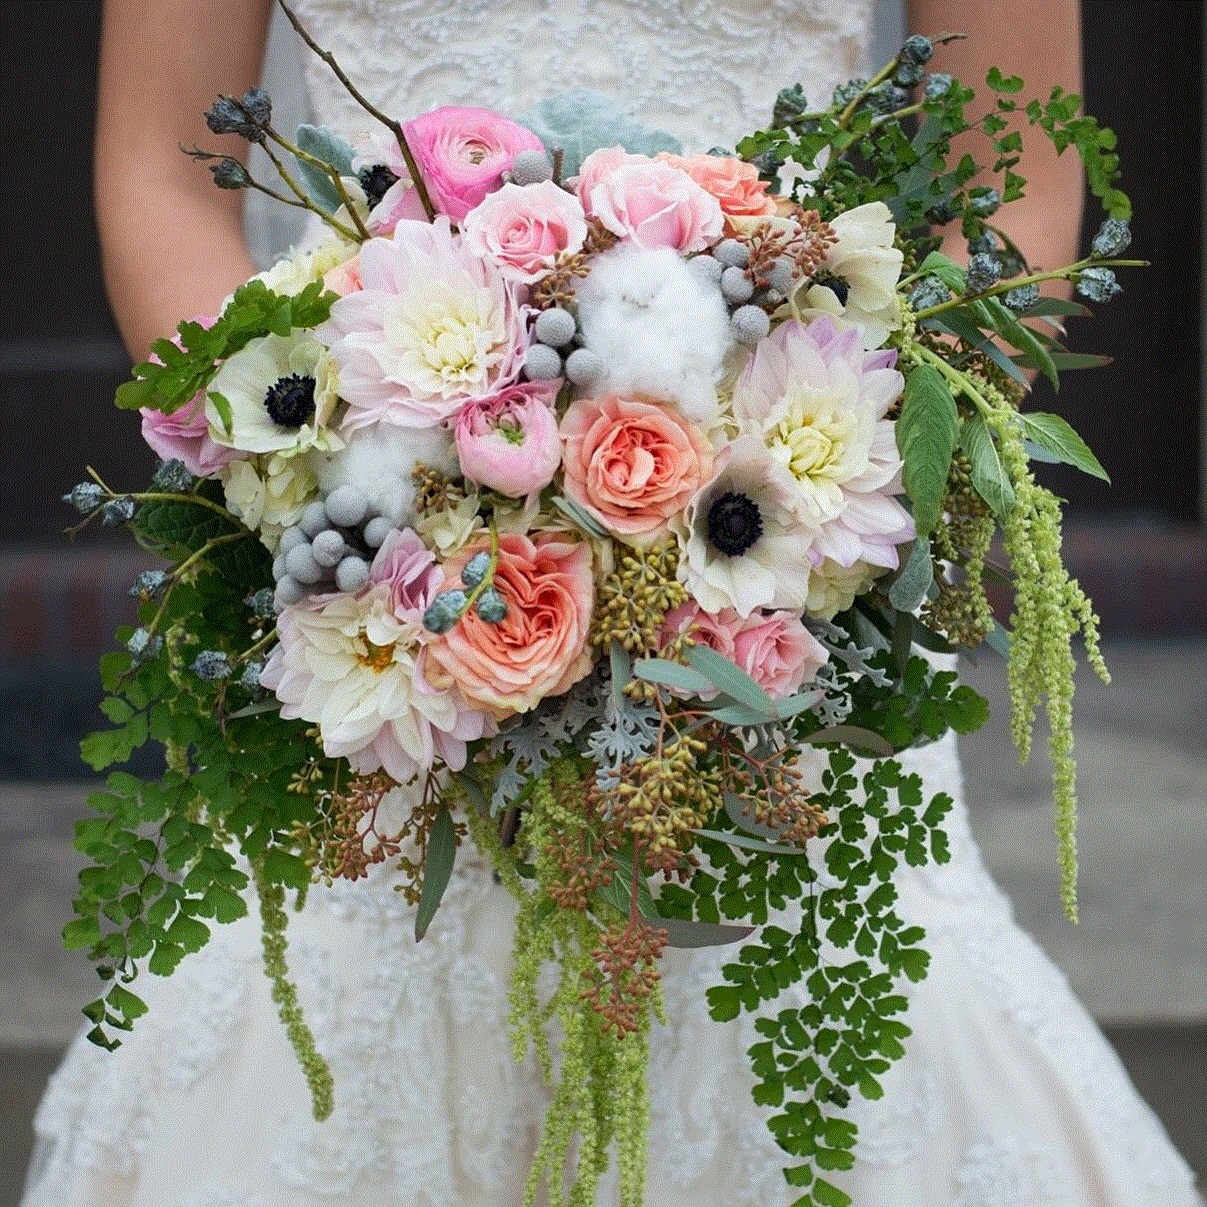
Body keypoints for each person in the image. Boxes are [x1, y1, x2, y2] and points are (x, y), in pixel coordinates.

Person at [22, 1, 1202, 1204]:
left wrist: (801, 498)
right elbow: (164, 175)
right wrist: (357, 495)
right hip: (385, 607)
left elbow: (1012, 201)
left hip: (784, 592)